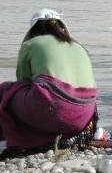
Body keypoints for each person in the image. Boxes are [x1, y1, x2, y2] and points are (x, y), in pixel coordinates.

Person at [0, 9, 97, 158]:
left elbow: (22, 81)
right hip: (82, 118)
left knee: (6, 91)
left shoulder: (31, 43)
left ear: (33, 30)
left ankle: (13, 139)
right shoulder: (79, 47)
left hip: (51, 110)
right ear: (62, 28)